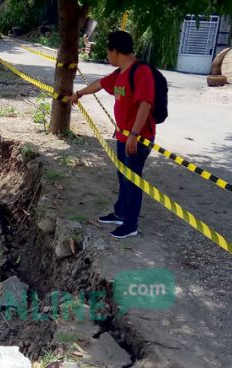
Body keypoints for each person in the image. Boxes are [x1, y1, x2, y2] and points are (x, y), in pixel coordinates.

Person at [69, 31, 155, 239]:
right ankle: (120, 213)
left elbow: (146, 104)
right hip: (124, 136)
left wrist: (134, 134)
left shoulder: (140, 72)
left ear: (115, 51)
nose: (107, 57)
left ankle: (130, 224)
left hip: (137, 138)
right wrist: (79, 94)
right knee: (122, 176)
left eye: (108, 52)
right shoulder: (120, 73)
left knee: (132, 180)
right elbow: (99, 84)